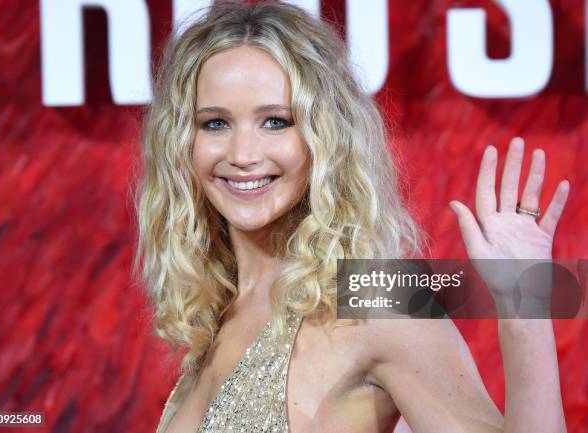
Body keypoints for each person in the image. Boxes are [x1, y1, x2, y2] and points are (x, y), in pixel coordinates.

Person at [132, 2, 570, 432]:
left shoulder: (379, 294)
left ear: (327, 136)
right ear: (180, 143)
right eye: (215, 124)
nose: (243, 154)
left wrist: (525, 309)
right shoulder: (216, 314)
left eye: (276, 122)